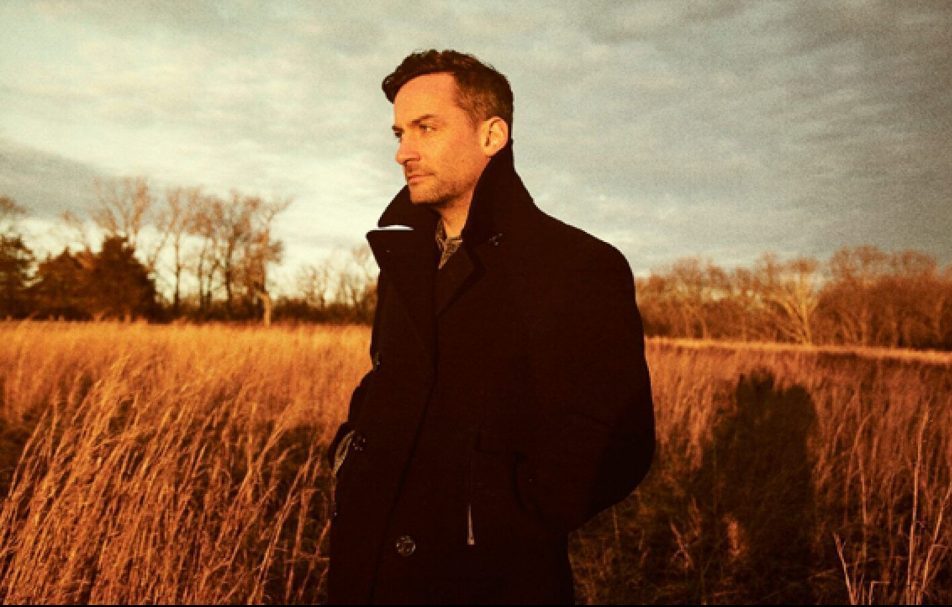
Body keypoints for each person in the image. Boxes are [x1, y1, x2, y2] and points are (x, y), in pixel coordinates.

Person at [326, 49, 655, 604]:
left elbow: (615, 439)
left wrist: (489, 521)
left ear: (491, 135)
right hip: (368, 573)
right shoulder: (407, 262)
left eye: (426, 128)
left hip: (487, 583)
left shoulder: (576, 265)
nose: (403, 151)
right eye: (400, 133)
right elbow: (387, 380)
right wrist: (348, 458)